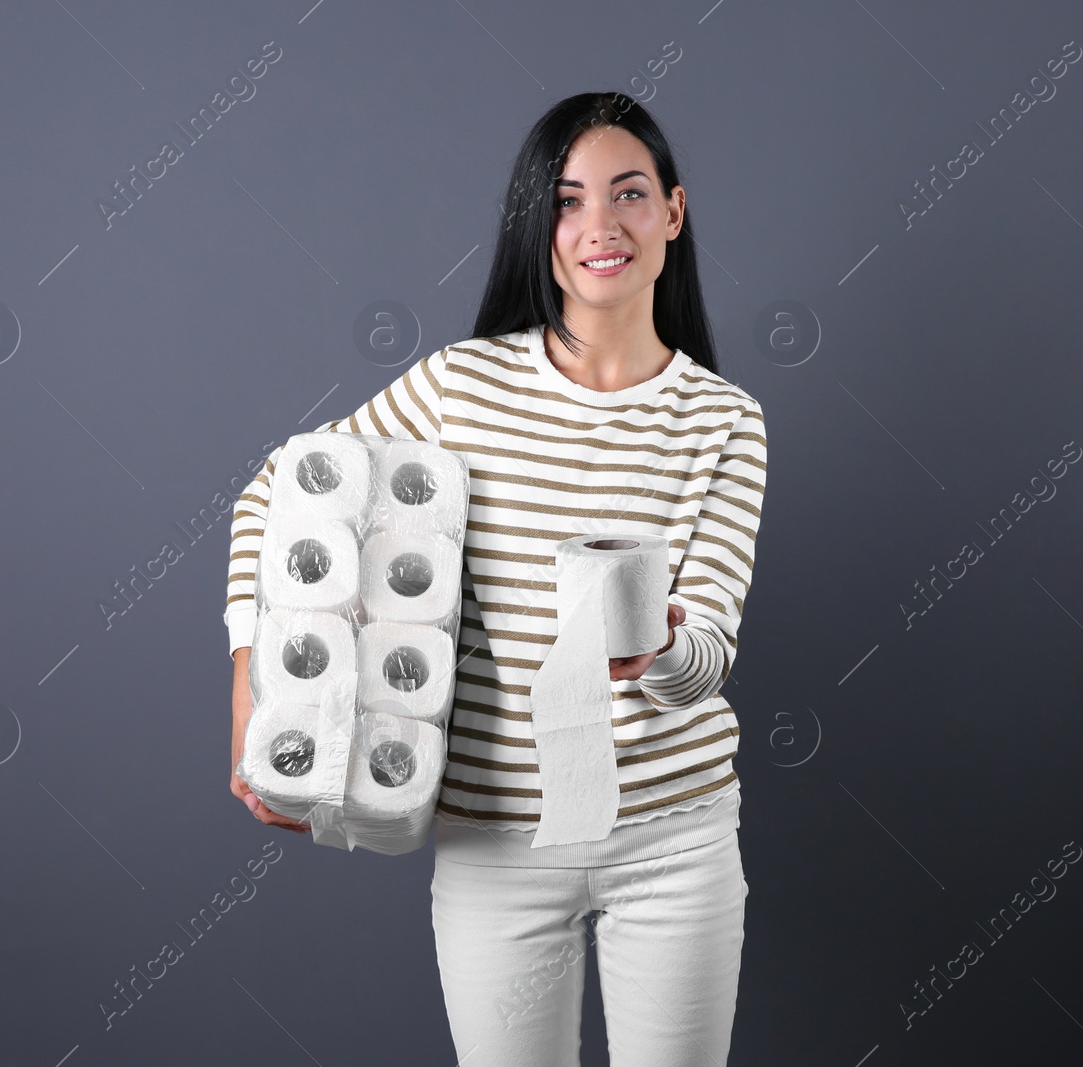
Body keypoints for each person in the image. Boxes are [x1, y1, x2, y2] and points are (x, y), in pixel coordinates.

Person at [225, 91, 767, 1066]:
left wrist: (657, 647)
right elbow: (276, 491)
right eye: (566, 201)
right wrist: (252, 686)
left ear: (673, 213)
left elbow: (707, 658)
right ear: (538, 226)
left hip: (673, 837)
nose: (599, 225)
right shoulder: (460, 385)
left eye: (628, 194)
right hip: (493, 840)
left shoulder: (723, 420)